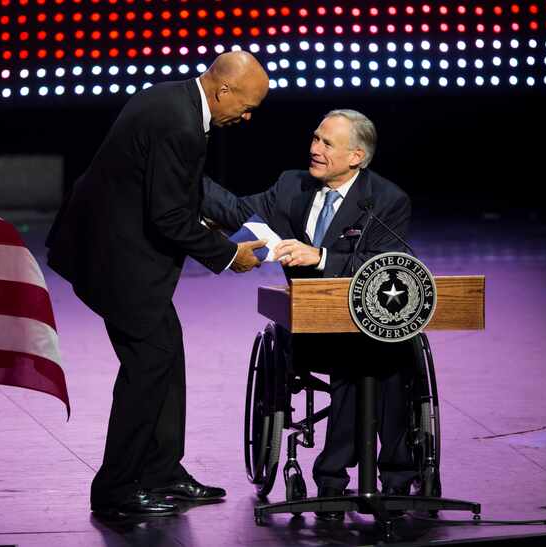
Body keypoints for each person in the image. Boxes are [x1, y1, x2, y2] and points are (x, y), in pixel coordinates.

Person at [46, 51, 270, 517]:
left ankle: (162, 470)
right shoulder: (181, 124)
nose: (249, 118)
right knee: (148, 365)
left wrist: (252, 219)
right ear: (223, 90)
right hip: (115, 261)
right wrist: (230, 255)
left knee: (166, 350)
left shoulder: (174, 100)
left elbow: (188, 184)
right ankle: (116, 489)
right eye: (247, 107)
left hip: (115, 250)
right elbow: (169, 214)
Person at [201, 109, 419, 520]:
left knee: (383, 349)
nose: (314, 149)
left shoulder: (387, 201)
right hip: (310, 327)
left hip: (369, 321)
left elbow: (389, 264)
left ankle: (390, 473)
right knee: (355, 356)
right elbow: (237, 210)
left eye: (326, 143)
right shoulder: (291, 185)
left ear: (356, 157)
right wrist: (184, 177)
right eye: (315, 138)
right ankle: (334, 477)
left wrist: (320, 257)